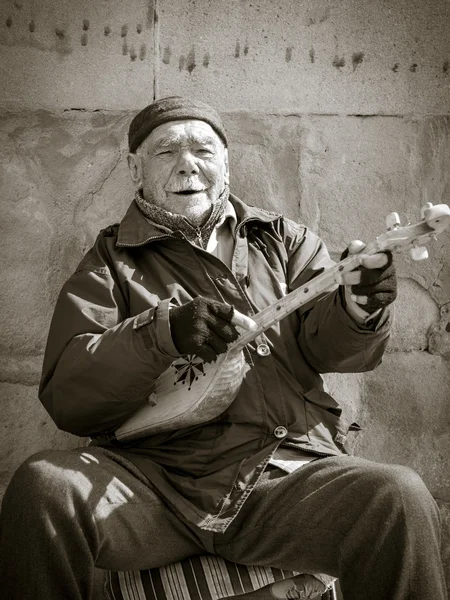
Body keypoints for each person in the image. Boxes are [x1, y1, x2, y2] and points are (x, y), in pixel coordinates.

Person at [0, 97, 446, 600]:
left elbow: (335, 350)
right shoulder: (110, 261)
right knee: (44, 486)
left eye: (203, 150)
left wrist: (361, 308)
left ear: (226, 164)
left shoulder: (285, 240)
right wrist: (159, 333)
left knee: (398, 496)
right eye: (167, 152)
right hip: (154, 483)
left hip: (279, 473)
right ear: (135, 168)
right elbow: (69, 393)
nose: (188, 163)